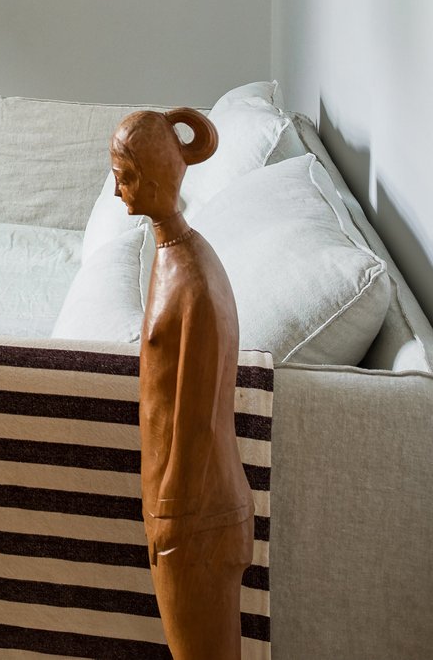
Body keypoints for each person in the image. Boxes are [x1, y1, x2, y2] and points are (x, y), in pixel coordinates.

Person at [112, 107, 254, 660]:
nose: (116, 189)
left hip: (195, 512)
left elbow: (197, 419)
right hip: (185, 509)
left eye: (123, 176)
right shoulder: (175, 253)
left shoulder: (191, 276)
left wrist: (167, 516)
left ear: (151, 178)